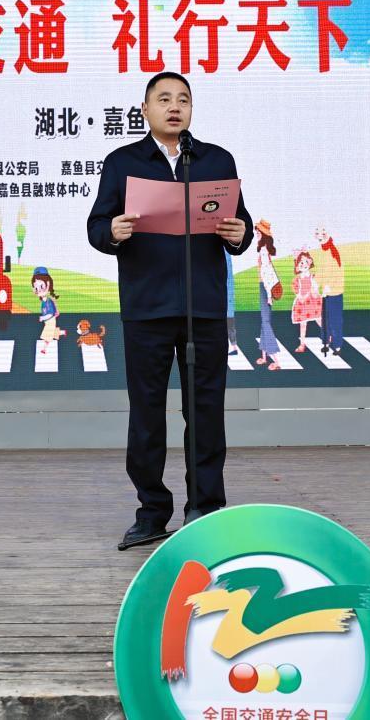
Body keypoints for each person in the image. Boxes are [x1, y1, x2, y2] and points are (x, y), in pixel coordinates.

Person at [86, 72, 254, 550]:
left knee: (205, 413)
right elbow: (97, 227)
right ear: (145, 110)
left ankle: (205, 508)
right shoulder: (123, 163)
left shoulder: (216, 160)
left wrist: (239, 235)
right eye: (163, 99)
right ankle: (152, 511)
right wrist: (112, 231)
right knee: (147, 416)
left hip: (204, 308)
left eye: (183, 99)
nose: (174, 107)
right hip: (147, 308)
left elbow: (240, 226)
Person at [313, 224, 344, 355]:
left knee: (335, 319)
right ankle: (326, 341)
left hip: (335, 292)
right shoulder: (323, 252)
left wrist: (328, 286)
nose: (320, 235)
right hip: (325, 293)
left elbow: (337, 273)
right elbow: (321, 271)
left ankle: (337, 345)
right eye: (317, 233)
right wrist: (316, 283)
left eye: (323, 233)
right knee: (325, 318)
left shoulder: (333, 251)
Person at [256, 221, 282, 371]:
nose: (257, 234)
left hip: (266, 288)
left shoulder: (264, 250)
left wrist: (268, 294)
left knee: (265, 322)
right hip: (265, 288)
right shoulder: (264, 249)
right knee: (264, 321)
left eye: (259, 232)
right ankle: (264, 356)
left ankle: (276, 361)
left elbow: (266, 273)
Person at [290, 250, 322, 352]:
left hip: (314, 303)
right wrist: (306, 295)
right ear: (297, 266)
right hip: (302, 304)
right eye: (301, 263)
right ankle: (302, 344)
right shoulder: (297, 280)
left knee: (319, 320)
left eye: (306, 262)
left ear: (310, 262)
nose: (304, 265)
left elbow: (316, 292)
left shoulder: (313, 277)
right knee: (303, 324)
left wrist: (313, 291)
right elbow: (299, 296)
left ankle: (329, 336)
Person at [31, 267, 64, 354]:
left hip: (50, 320)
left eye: (41, 287)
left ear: (48, 285)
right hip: (47, 321)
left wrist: (43, 318)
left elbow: (50, 314)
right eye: (36, 288)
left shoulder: (47, 302)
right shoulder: (44, 300)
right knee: (51, 332)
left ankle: (44, 349)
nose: (38, 290)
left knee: (47, 336)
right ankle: (62, 332)